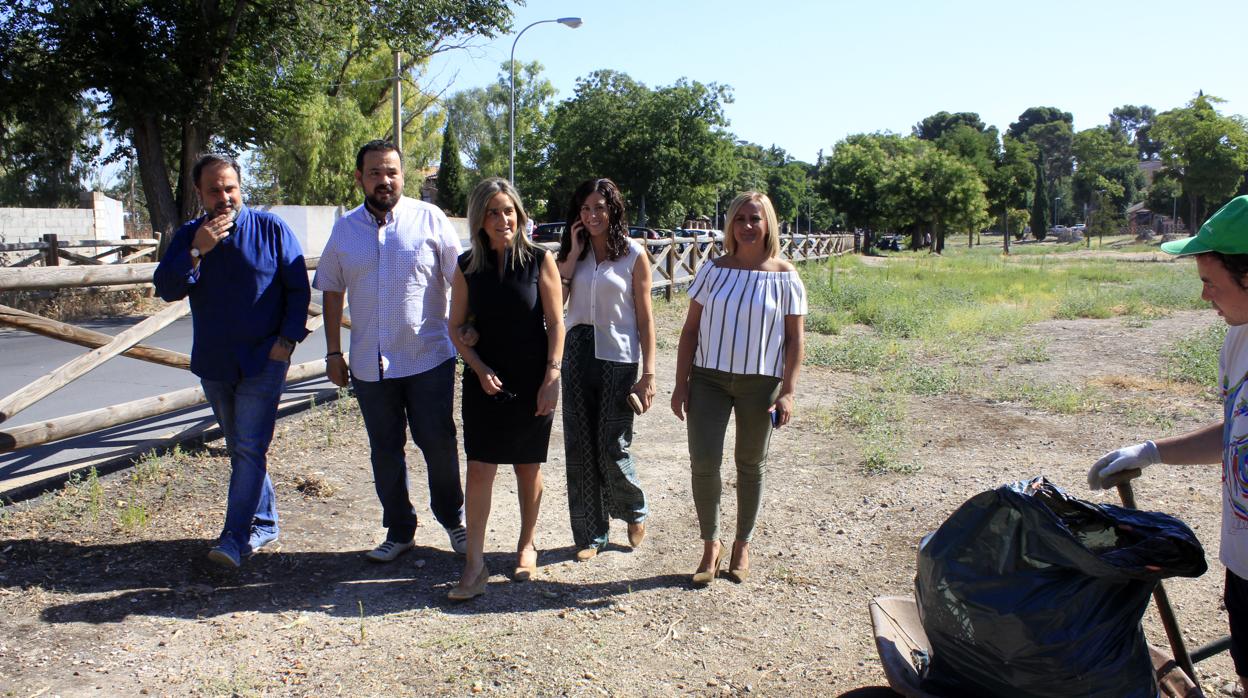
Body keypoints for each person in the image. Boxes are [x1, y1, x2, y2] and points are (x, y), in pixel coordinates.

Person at [1087, 195, 1248, 694]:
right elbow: (1235, 433)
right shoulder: (1238, 339)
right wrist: (1153, 451)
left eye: (1210, 283)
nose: (1205, 297)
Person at [313, 140, 467, 563]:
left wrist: (466, 331)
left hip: (428, 359)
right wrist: (332, 353)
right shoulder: (344, 229)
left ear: (403, 176)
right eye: (375, 173)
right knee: (384, 448)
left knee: (438, 442)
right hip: (368, 364)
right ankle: (400, 530)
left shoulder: (430, 219)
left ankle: (454, 521)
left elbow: (462, 280)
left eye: (392, 172)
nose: (385, 180)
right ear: (360, 178)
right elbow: (331, 289)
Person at [154, 153, 310, 568]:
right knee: (243, 447)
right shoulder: (189, 235)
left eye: (230, 188)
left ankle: (233, 538)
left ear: (240, 187)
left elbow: (298, 288)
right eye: (214, 190)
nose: (224, 197)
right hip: (215, 362)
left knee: (247, 446)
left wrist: (287, 342)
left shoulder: (271, 228)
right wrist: (196, 251)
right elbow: (166, 287)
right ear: (199, 193)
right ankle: (265, 521)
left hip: (265, 360)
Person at [670, 191, 806, 586]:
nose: (747, 226)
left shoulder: (785, 276)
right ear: (730, 224)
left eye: (755, 219)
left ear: (769, 225)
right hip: (709, 379)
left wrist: (788, 390)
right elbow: (691, 329)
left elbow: (795, 340)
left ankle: (741, 543)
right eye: (740, 219)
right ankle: (710, 544)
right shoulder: (713, 270)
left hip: (760, 384)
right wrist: (681, 384)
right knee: (704, 463)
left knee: (750, 463)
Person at [446, 177, 564, 600]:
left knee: (527, 466)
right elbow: (455, 326)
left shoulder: (538, 260)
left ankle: (527, 542)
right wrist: (476, 364)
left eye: (509, 210)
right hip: (484, 381)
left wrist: (552, 376)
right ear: (480, 218)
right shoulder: (467, 266)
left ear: (519, 214)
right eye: (493, 212)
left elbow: (556, 323)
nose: (503, 219)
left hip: (533, 379)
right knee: (479, 468)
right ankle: (474, 564)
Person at [555, 178, 654, 561]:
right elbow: (557, 303)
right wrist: (572, 253)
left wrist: (650, 374)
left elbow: (645, 318)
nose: (592, 215)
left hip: (619, 356)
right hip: (577, 353)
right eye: (585, 209)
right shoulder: (572, 254)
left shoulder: (633, 254)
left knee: (612, 443)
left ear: (612, 209)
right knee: (580, 444)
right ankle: (591, 534)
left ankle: (633, 510)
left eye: (599, 207)